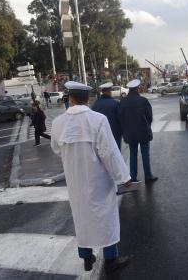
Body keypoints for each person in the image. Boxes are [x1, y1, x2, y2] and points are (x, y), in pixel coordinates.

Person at [51, 81, 131, 273]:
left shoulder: (58, 123)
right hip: (98, 180)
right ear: (88, 99)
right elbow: (109, 153)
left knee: (82, 219)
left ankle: (86, 258)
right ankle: (111, 259)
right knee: (106, 218)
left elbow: (56, 149)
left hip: (75, 181)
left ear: (70, 98)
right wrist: (124, 177)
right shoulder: (98, 120)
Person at [119, 79, 158, 184]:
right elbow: (150, 117)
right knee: (145, 153)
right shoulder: (143, 101)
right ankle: (148, 176)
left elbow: (121, 118)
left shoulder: (123, 102)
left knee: (133, 153)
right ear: (137, 88)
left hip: (130, 133)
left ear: (129, 89)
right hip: (143, 131)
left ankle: (133, 177)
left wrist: (125, 129)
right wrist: (146, 126)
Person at [92, 82, 122, 150]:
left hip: (100, 134)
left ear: (102, 92)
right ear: (109, 91)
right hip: (115, 133)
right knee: (116, 154)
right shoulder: (115, 103)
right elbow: (120, 119)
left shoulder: (96, 104)